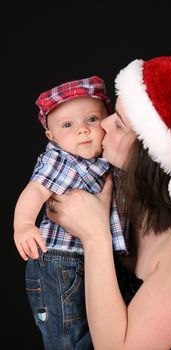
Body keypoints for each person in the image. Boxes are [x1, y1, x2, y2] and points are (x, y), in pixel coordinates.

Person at [47, 44, 171, 349]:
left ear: (152, 154)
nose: (103, 123)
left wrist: (96, 237)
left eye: (119, 123)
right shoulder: (120, 185)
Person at [13, 76, 129, 350]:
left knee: (92, 335)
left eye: (92, 119)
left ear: (108, 119)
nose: (82, 131)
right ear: (50, 137)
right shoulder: (60, 158)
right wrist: (24, 224)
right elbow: (35, 190)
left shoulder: (105, 159)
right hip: (59, 262)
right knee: (67, 338)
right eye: (68, 125)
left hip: (88, 260)